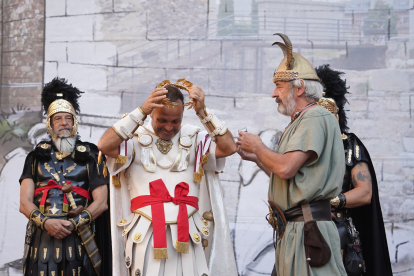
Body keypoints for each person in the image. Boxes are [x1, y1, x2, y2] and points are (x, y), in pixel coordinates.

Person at [98, 79, 238, 276]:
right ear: (152, 114)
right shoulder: (134, 138)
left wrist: (203, 112)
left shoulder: (194, 137)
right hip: (145, 235)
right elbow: (104, 145)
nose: (169, 127)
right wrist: (141, 111)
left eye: (175, 121)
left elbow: (229, 148)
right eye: (161, 120)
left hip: (189, 232)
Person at [237, 33, 347, 276]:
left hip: (307, 231)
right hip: (297, 230)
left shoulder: (314, 117)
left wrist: (258, 147)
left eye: (279, 86)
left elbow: (286, 168)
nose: (274, 94)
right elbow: (288, 176)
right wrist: (257, 158)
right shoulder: (302, 120)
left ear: (300, 88)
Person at [19, 78, 111, 276]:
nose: (64, 123)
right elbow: (24, 203)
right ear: (50, 124)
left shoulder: (90, 156)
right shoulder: (35, 157)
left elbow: (102, 202)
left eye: (68, 118)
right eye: (58, 118)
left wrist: (73, 224)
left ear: (75, 121)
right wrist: (46, 223)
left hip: (79, 238)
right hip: (41, 239)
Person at [315, 64, 393, 276]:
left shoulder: (349, 145)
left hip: (339, 232)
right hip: (302, 231)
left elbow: (364, 192)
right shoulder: (297, 148)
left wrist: (327, 202)